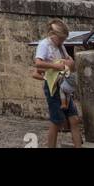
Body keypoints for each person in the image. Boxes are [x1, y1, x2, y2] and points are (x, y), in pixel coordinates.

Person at [34, 18, 82, 149]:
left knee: (74, 120)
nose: (62, 42)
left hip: (64, 87)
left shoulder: (60, 46)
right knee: (56, 122)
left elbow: (68, 60)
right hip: (53, 87)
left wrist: (69, 63)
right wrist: (56, 66)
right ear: (52, 35)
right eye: (60, 39)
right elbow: (38, 63)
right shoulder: (45, 45)